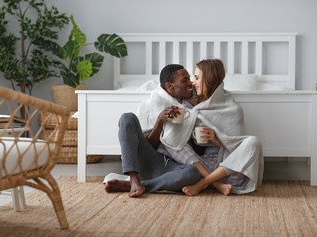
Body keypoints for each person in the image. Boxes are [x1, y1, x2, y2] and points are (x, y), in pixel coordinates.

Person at [164, 59, 264, 196]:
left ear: (208, 79)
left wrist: (218, 141)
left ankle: (203, 184)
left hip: (230, 172)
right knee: (171, 138)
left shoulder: (232, 108)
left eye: (197, 78)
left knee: (253, 142)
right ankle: (215, 184)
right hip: (205, 167)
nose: (193, 83)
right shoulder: (190, 104)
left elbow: (238, 148)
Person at [104, 64, 202, 197]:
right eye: (185, 80)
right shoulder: (152, 104)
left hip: (169, 167)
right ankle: (133, 178)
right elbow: (149, 146)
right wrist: (160, 122)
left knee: (193, 172)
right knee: (127, 117)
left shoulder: (192, 108)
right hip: (148, 159)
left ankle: (139, 185)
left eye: (190, 79)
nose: (190, 83)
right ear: (170, 86)